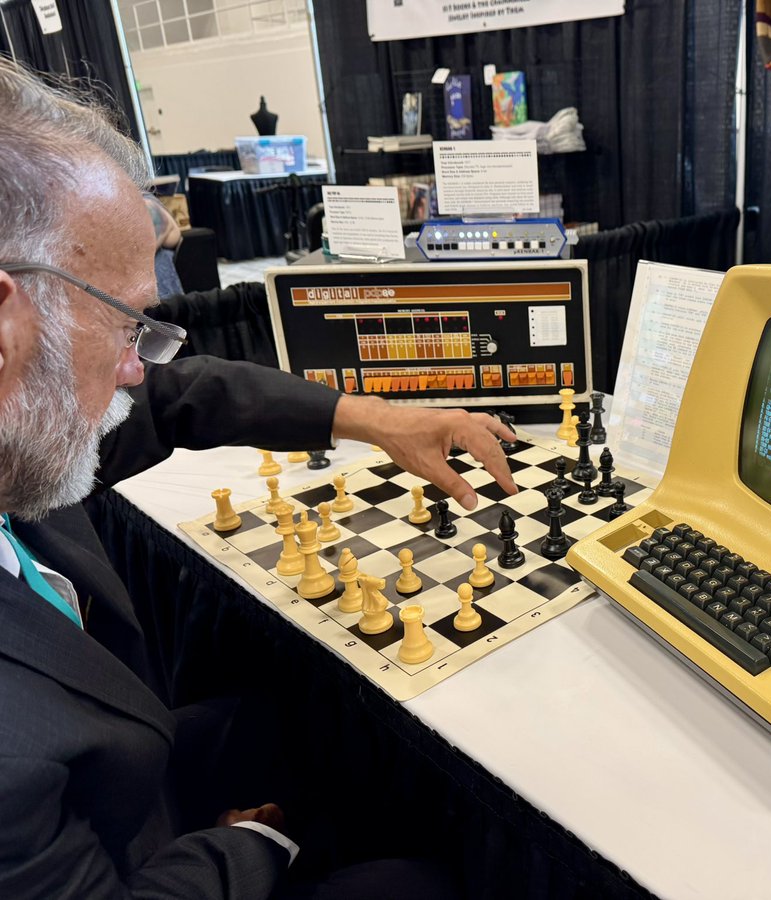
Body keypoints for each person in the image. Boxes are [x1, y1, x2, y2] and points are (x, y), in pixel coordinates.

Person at [0, 58, 516, 898]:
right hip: (132, 850)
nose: (137, 371)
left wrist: (378, 420)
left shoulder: (20, 420)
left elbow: (180, 393)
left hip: (122, 775)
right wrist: (253, 844)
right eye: (128, 324)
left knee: (332, 722)